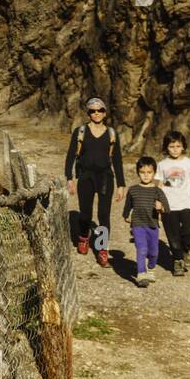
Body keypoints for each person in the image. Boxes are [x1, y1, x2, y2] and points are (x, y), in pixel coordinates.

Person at [65, 98, 126, 267]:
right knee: (85, 214)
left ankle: (101, 249)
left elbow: (118, 160)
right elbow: (71, 156)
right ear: (88, 113)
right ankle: (84, 236)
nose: (96, 113)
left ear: (105, 113)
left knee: (103, 215)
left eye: (100, 110)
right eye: (92, 111)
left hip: (106, 177)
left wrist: (121, 184)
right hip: (85, 177)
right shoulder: (80, 132)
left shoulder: (112, 134)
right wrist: (69, 178)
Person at [157, 130, 190, 276]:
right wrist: (158, 205)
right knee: (172, 235)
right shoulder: (162, 165)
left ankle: (184, 251)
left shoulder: (189, 163)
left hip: (186, 204)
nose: (175, 149)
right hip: (168, 206)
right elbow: (159, 186)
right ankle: (177, 260)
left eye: (178, 146)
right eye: (171, 146)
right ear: (166, 147)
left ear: (183, 146)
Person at [123, 157, 170, 286]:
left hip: (153, 225)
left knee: (154, 252)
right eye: (143, 172)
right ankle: (141, 274)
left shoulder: (157, 191)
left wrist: (161, 208)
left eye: (149, 172)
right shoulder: (133, 190)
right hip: (138, 224)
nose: (146, 175)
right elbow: (128, 204)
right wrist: (126, 215)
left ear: (154, 173)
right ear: (138, 172)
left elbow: (167, 209)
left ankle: (151, 268)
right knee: (142, 249)